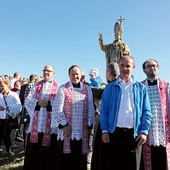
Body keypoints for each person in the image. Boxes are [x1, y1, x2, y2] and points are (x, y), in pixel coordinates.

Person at [99, 55, 153, 170]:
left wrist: (144, 131)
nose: (125, 68)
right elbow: (104, 110)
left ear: (133, 67)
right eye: (122, 65)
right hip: (114, 134)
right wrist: (104, 130)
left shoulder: (140, 88)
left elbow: (147, 111)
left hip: (134, 135)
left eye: (128, 66)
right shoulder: (110, 87)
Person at [51, 64, 95, 170]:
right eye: (72, 74)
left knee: (79, 160)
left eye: (77, 74)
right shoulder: (63, 88)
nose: (75, 76)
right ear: (69, 75)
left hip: (82, 130)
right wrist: (64, 125)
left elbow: (90, 107)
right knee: (66, 160)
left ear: (81, 75)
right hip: (67, 130)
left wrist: (89, 124)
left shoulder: (87, 89)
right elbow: (58, 109)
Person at [23, 65, 60, 170]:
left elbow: (60, 103)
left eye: (49, 71)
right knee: (34, 152)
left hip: (50, 126)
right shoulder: (36, 86)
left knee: (48, 152)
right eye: (44, 71)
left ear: (54, 73)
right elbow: (27, 101)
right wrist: (38, 102)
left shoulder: (58, 87)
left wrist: (49, 103)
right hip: (37, 124)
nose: (46, 73)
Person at [141, 59, 170, 170]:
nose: (152, 68)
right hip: (147, 129)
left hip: (163, 128)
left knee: (164, 160)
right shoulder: (140, 86)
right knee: (149, 161)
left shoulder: (166, 85)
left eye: (154, 65)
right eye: (149, 66)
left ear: (158, 68)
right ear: (144, 70)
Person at [91, 62, 120, 170]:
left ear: (108, 73)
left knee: (103, 156)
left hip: (106, 126)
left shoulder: (110, 87)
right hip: (118, 127)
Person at [0, 79, 22, 156]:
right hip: (1, 118)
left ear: (7, 85)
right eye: (0, 86)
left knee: (5, 135)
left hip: (9, 118)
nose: (1, 88)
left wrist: (7, 108)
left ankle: (9, 150)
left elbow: (19, 106)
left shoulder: (14, 94)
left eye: (2, 86)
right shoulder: (0, 95)